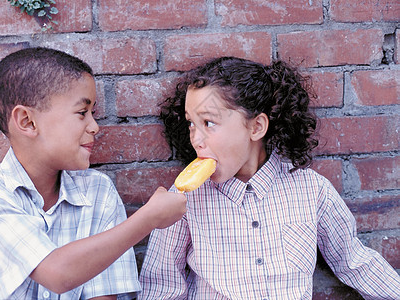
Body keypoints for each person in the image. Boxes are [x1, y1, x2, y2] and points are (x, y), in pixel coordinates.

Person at [138, 57, 400, 299]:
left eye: (208, 123)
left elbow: (355, 262)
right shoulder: (182, 200)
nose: (196, 139)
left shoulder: (311, 189)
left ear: (256, 127)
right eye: (191, 124)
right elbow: (160, 288)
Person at [0, 47, 187, 300]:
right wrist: (149, 218)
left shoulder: (97, 191)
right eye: (82, 113)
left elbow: (104, 295)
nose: (95, 126)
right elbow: (56, 273)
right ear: (27, 121)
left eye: (94, 113)